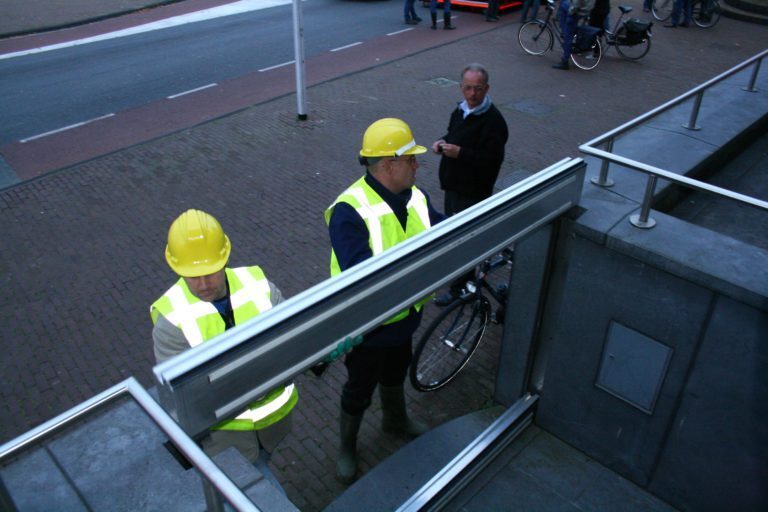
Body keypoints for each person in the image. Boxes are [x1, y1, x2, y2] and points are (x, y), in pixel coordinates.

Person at [325, 118, 445, 484]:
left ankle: (395, 418)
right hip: (369, 326)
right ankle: (347, 445)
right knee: (359, 387)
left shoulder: (417, 196)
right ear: (389, 165)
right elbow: (363, 276)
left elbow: (444, 230)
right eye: (411, 159)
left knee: (397, 371)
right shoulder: (349, 212)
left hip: (406, 315)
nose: (417, 165)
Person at [150, 209, 298, 484]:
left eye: (210, 272)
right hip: (227, 439)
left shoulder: (257, 284)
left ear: (225, 258)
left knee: (263, 465)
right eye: (192, 275)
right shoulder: (171, 321)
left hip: (272, 425)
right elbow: (187, 398)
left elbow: (291, 338)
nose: (203, 283)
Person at [431, 64, 508, 302]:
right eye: (467, 88)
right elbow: (452, 135)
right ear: (460, 87)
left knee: (463, 240)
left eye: (477, 89)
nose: (472, 94)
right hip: (453, 186)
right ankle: (461, 280)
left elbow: (491, 161)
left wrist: (460, 153)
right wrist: (441, 143)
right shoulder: (461, 110)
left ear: (487, 88)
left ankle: (459, 290)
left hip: (472, 191)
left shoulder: (494, 122)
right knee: (456, 235)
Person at [552, 0, 596, 70]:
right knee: (564, 3)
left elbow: (576, 3)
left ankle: (565, 61)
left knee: (568, 35)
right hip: (584, 10)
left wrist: (571, 11)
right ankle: (565, 32)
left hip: (577, 11)